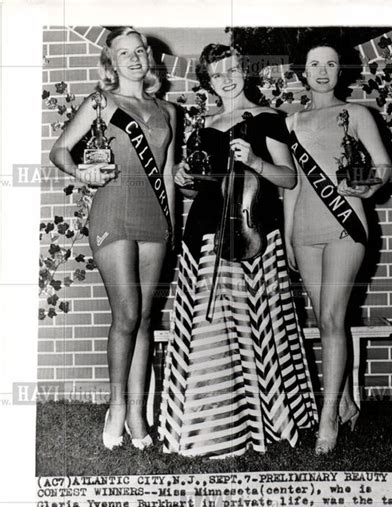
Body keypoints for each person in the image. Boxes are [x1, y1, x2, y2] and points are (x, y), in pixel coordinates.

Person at [158, 43, 317, 458]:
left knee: (255, 328)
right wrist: (183, 179)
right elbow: (201, 188)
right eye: (217, 73)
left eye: (232, 68)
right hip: (206, 237)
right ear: (207, 81)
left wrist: (256, 161)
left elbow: (288, 179)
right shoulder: (204, 125)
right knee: (212, 329)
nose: (226, 77)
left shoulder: (269, 120)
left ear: (242, 71)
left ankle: (261, 416)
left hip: (253, 235)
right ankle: (211, 424)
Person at [50, 27, 176, 450]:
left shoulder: (168, 111)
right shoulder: (100, 102)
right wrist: (80, 172)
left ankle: (138, 411)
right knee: (125, 315)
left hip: (154, 218)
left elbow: (169, 177)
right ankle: (117, 405)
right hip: (113, 211)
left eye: (141, 51)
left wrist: (171, 226)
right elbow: (60, 151)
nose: (135, 58)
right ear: (112, 62)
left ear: (149, 58)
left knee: (144, 317)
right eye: (125, 53)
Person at [284, 37, 391, 455]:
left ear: (340, 71)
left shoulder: (358, 113)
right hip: (306, 231)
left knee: (331, 317)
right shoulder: (292, 122)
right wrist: (292, 235)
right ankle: (345, 403)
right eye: (315, 64)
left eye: (331, 63)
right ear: (303, 71)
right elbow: (292, 186)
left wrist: (369, 184)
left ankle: (326, 417)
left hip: (347, 224)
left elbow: (384, 166)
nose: (323, 71)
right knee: (325, 319)